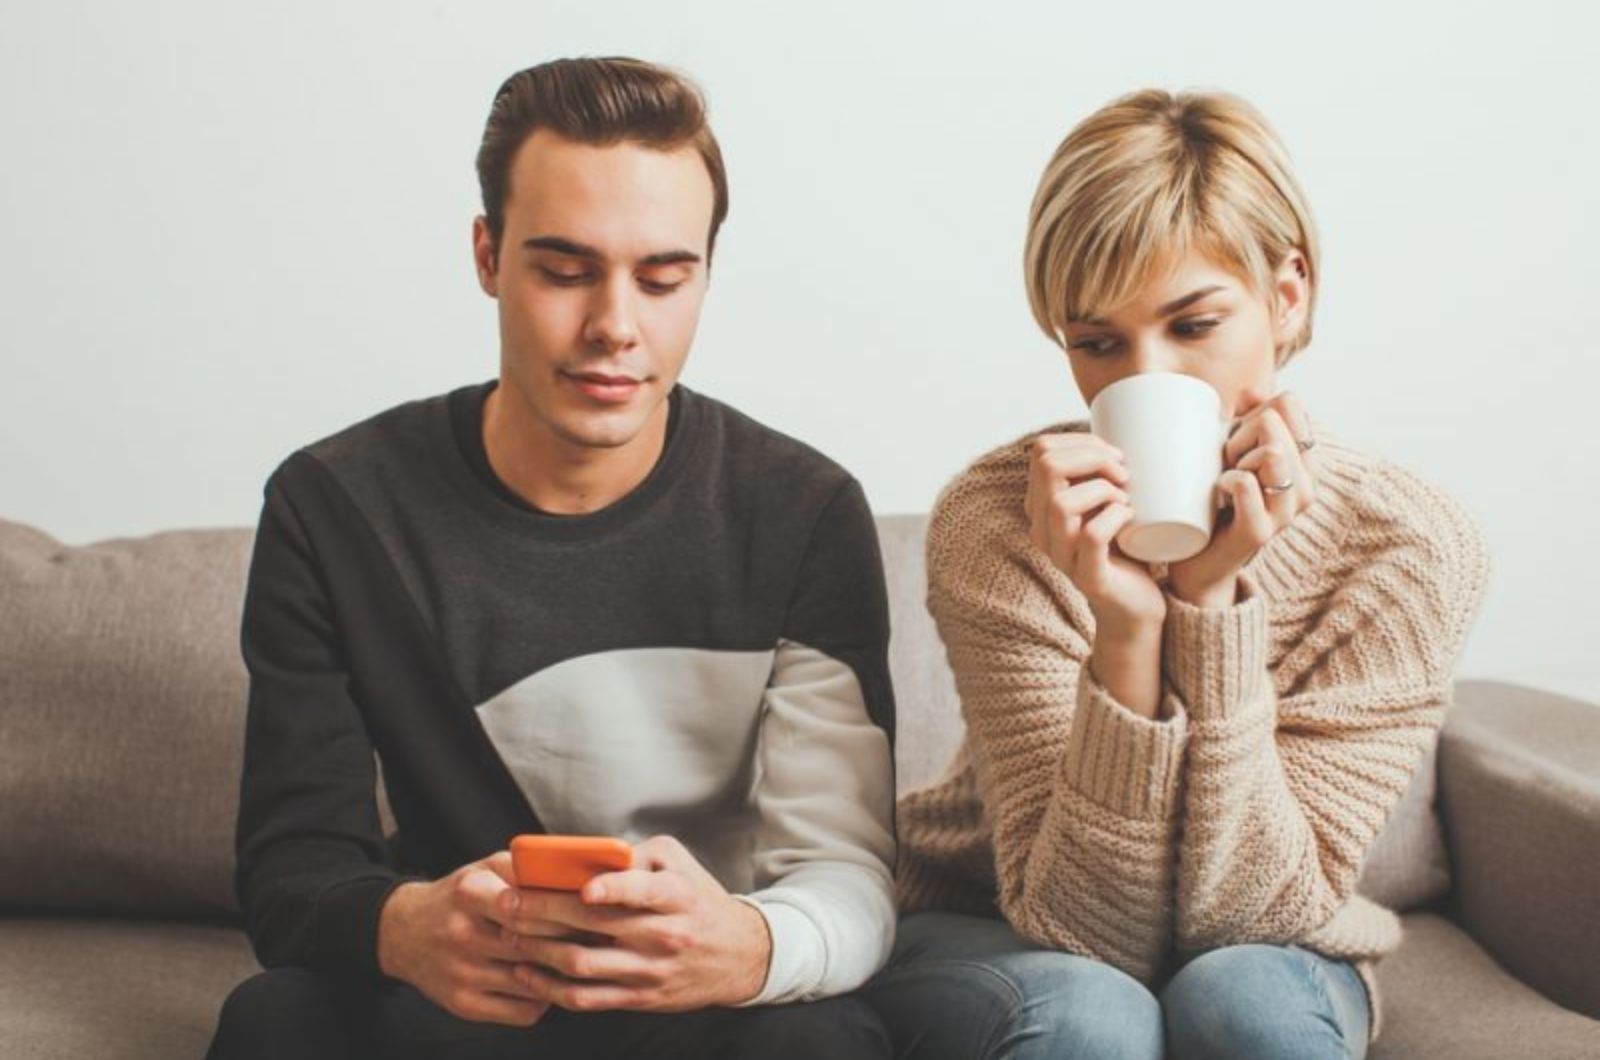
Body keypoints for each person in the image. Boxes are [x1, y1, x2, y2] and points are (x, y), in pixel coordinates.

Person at [206, 56, 896, 1060]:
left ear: (706, 273)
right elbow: (291, 867)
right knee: (275, 1021)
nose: (616, 326)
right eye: (565, 270)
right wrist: (403, 927)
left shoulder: (804, 512)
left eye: (663, 278)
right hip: (468, 1004)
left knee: (825, 1045)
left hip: (708, 1008)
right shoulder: (334, 506)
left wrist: (746, 945)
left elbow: (847, 879)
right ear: (486, 256)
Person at [864, 89, 1488, 1059]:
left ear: (1287, 297)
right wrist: (1125, 631)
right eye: (1097, 343)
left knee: (1246, 1000)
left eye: (1193, 325)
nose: (1140, 380)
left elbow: (1253, 916)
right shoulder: (995, 523)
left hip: (1278, 947)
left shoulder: (1403, 547)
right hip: (987, 917)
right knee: (1090, 1014)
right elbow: (1087, 932)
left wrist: (1207, 601)